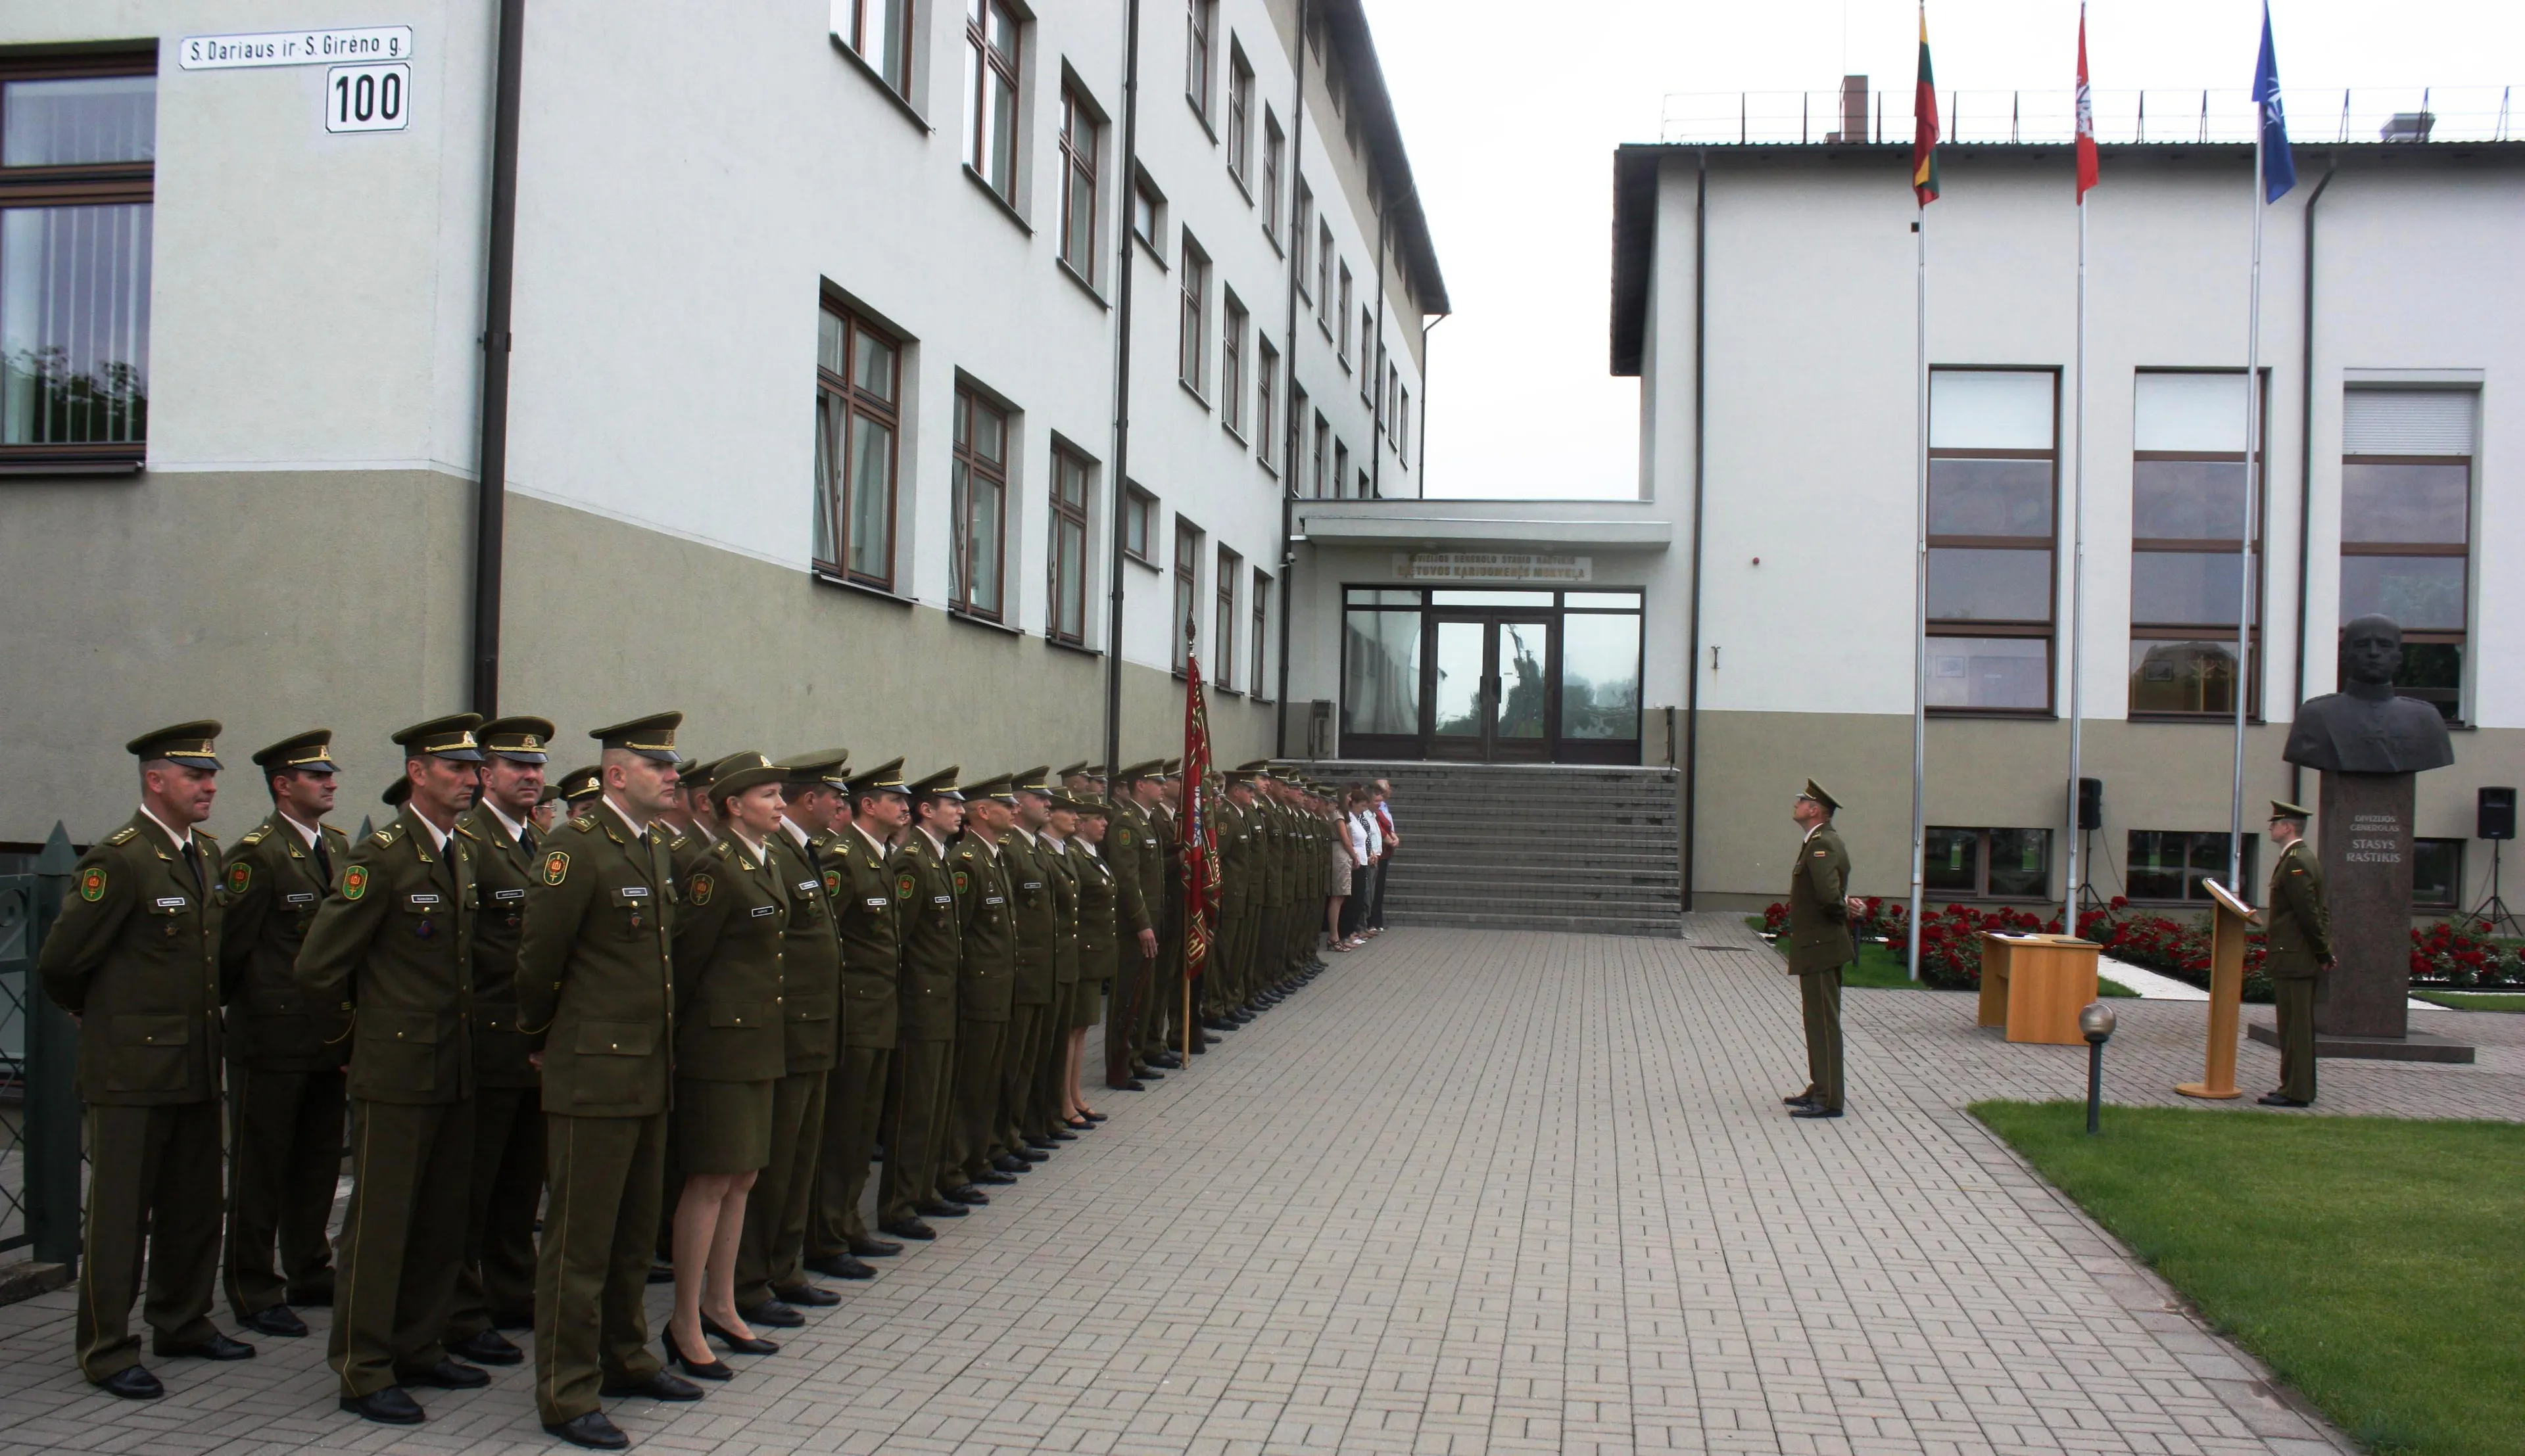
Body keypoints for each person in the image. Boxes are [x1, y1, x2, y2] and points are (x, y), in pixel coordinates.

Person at [38, 722, 254, 1399]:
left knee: (194, 1203)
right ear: (155, 780)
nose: (210, 786)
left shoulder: (205, 854)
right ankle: (106, 1347)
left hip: (195, 1060)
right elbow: (62, 962)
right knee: (121, 1216)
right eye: (195, 775)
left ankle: (182, 1319)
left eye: (212, 775)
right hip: (131, 1069)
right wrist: (95, 1014)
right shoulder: (120, 859)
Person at [293, 715, 493, 1424]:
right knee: (379, 1225)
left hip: (453, 1066)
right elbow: (319, 967)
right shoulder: (380, 856)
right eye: (457, 769)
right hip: (396, 1070)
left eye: (475, 770)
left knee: (440, 1219)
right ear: (419, 773)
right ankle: (362, 1365)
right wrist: (359, 1040)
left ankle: (419, 1343)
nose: (471, 780)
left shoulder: (460, 851)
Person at [517, 712, 704, 1451]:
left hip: (647, 1067)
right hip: (594, 1070)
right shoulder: (576, 848)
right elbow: (538, 960)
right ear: (617, 775)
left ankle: (626, 1356)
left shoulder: (655, 847)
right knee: (580, 1241)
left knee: (631, 1233)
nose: (673, 779)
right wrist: (541, 1039)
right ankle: (566, 1391)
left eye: (674, 768)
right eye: (659, 768)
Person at [660, 753, 791, 1379]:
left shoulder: (764, 862)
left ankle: (721, 1301)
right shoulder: (715, 869)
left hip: (758, 1041)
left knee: (743, 1177)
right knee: (710, 1180)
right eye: (769, 795)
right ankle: (685, 1319)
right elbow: (685, 962)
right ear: (735, 804)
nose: (781, 804)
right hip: (718, 1046)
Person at [219, 729, 351, 1341]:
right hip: (270, 1040)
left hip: (326, 1038)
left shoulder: (340, 848)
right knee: (261, 1166)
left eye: (330, 775)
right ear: (282, 786)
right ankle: (252, 1285)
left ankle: (309, 1267)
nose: (329, 784)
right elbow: (229, 952)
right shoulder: (257, 855)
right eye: (315, 777)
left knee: (318, 1162)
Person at [445, 715, 556, 1369]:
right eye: (518, 767)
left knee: (520, 1181)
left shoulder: (538, 841)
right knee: (473, 1184)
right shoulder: (467, 840)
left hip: (530, 1043)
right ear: (486, 775)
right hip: (485, 1039)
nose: (532, 777)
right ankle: (463, 1309)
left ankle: (514, 1289)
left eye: (538, 768)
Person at [735, 750, 850, 1317]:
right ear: (813, 799)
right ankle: (751, 1280)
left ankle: (786, 1266)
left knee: (800, 1157)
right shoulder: (774, 853)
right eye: (836, 797)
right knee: (774, 1163)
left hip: (815, 1031)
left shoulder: (802, 851)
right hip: (786, 1032)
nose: (842, 806)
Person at [807, 758, 911, 1271]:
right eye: (896, 800)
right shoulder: (842, 857)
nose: (905, 808)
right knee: (843, 1129)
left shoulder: (879, 857)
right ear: (868, 806)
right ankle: (826, 1234)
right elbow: (828, 941)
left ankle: (847, 1222)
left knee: (863, 1124)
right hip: (852, 1016)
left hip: (878, 1014)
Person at [877, 768, 966, 1241]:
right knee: (914, 1105)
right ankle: (898, 1202)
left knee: (935, 1100)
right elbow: (901, 939)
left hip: (943, 999)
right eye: (952, 804)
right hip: (920, 1003)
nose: (961, 811)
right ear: (927, 810)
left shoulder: (938, 857)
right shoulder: (912, 860)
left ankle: (926, 1187)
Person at [940, 775, 1019, 1206]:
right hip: (979, 990)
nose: (1016, 811)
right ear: (983, 812)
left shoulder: (993, 857)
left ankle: (979, 1155)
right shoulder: (966, 860)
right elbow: (961, 932)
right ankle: (954, 1167)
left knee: (988, 1079)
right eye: (1006, 805)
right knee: (969, 1083)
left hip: (999, 988)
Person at [1782, 780, 1859, 1120]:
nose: (1796, 803)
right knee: (1817, 1019)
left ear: (1814, 810)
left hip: (1821, 944)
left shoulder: (1821, 845)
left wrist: (1845, 909)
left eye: (1802, 801)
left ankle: (1829, 1099)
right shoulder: (1819, 842)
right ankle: (1821, 1086)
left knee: (1822, 1021)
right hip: (1820, 943)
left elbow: (1828, 896)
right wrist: (1846, 904)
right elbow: (1831, 893)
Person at [998, 769, 1063, 1163]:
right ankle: (1004, 1138)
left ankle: (1018, 1132)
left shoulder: (1034, 847)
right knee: (1012, 1065)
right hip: (1020, 973)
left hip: (1041, 971)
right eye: (1042, 800)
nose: (1049, 805)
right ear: (1021, 806)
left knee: (1029, 1060)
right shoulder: (1010, 848)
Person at [2259, 800, 2334, 1108]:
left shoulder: (2296, 861)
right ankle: (2291, 1085)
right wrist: (2322, 950)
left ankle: (2297, 1091)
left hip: (2295, 956)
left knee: (2295, 1028)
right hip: (2296, 955)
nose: (2271, 828)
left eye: (2275, 824)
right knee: (2292, 1026)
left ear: (2288, 827)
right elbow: (2317, 911)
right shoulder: (2297, 858)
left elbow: (2309, 914)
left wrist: (2322, 951)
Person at [1066, 799, 1118, 1125]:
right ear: (1081, 824)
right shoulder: (1074, 855)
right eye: (1096, 818)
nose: (1104, 824)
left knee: (1082, 1028)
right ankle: (1065, 1101)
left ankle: (1075, 1095)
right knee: (1073, 1029)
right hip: (1081, 954)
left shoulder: (1090, 855)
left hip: (1093, 954)